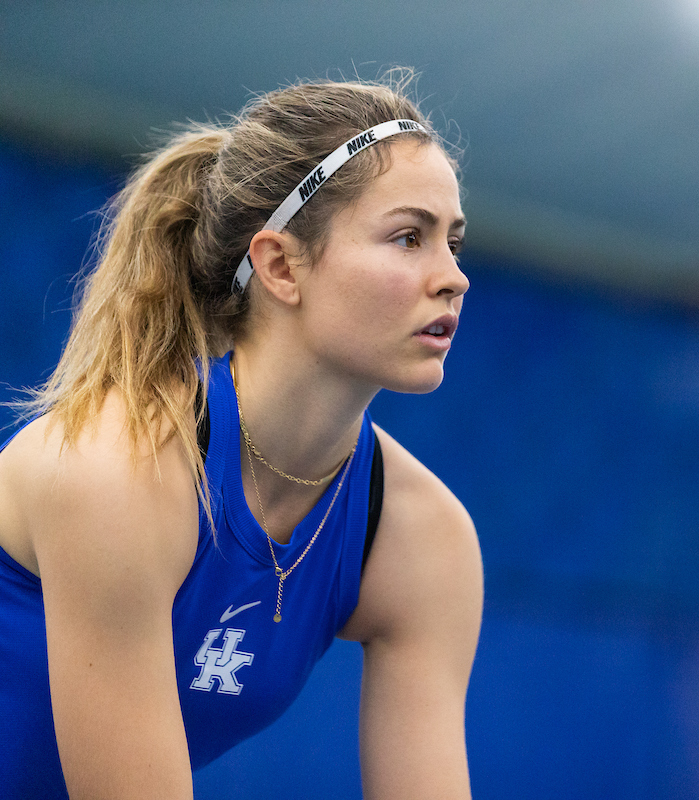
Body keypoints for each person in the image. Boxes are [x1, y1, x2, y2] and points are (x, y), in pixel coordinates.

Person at [0, 72, 481, 798]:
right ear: (281, 265)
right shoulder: (112, 472)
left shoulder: (425, 538)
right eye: (409, 236)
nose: (453, 277)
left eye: (453, 242)